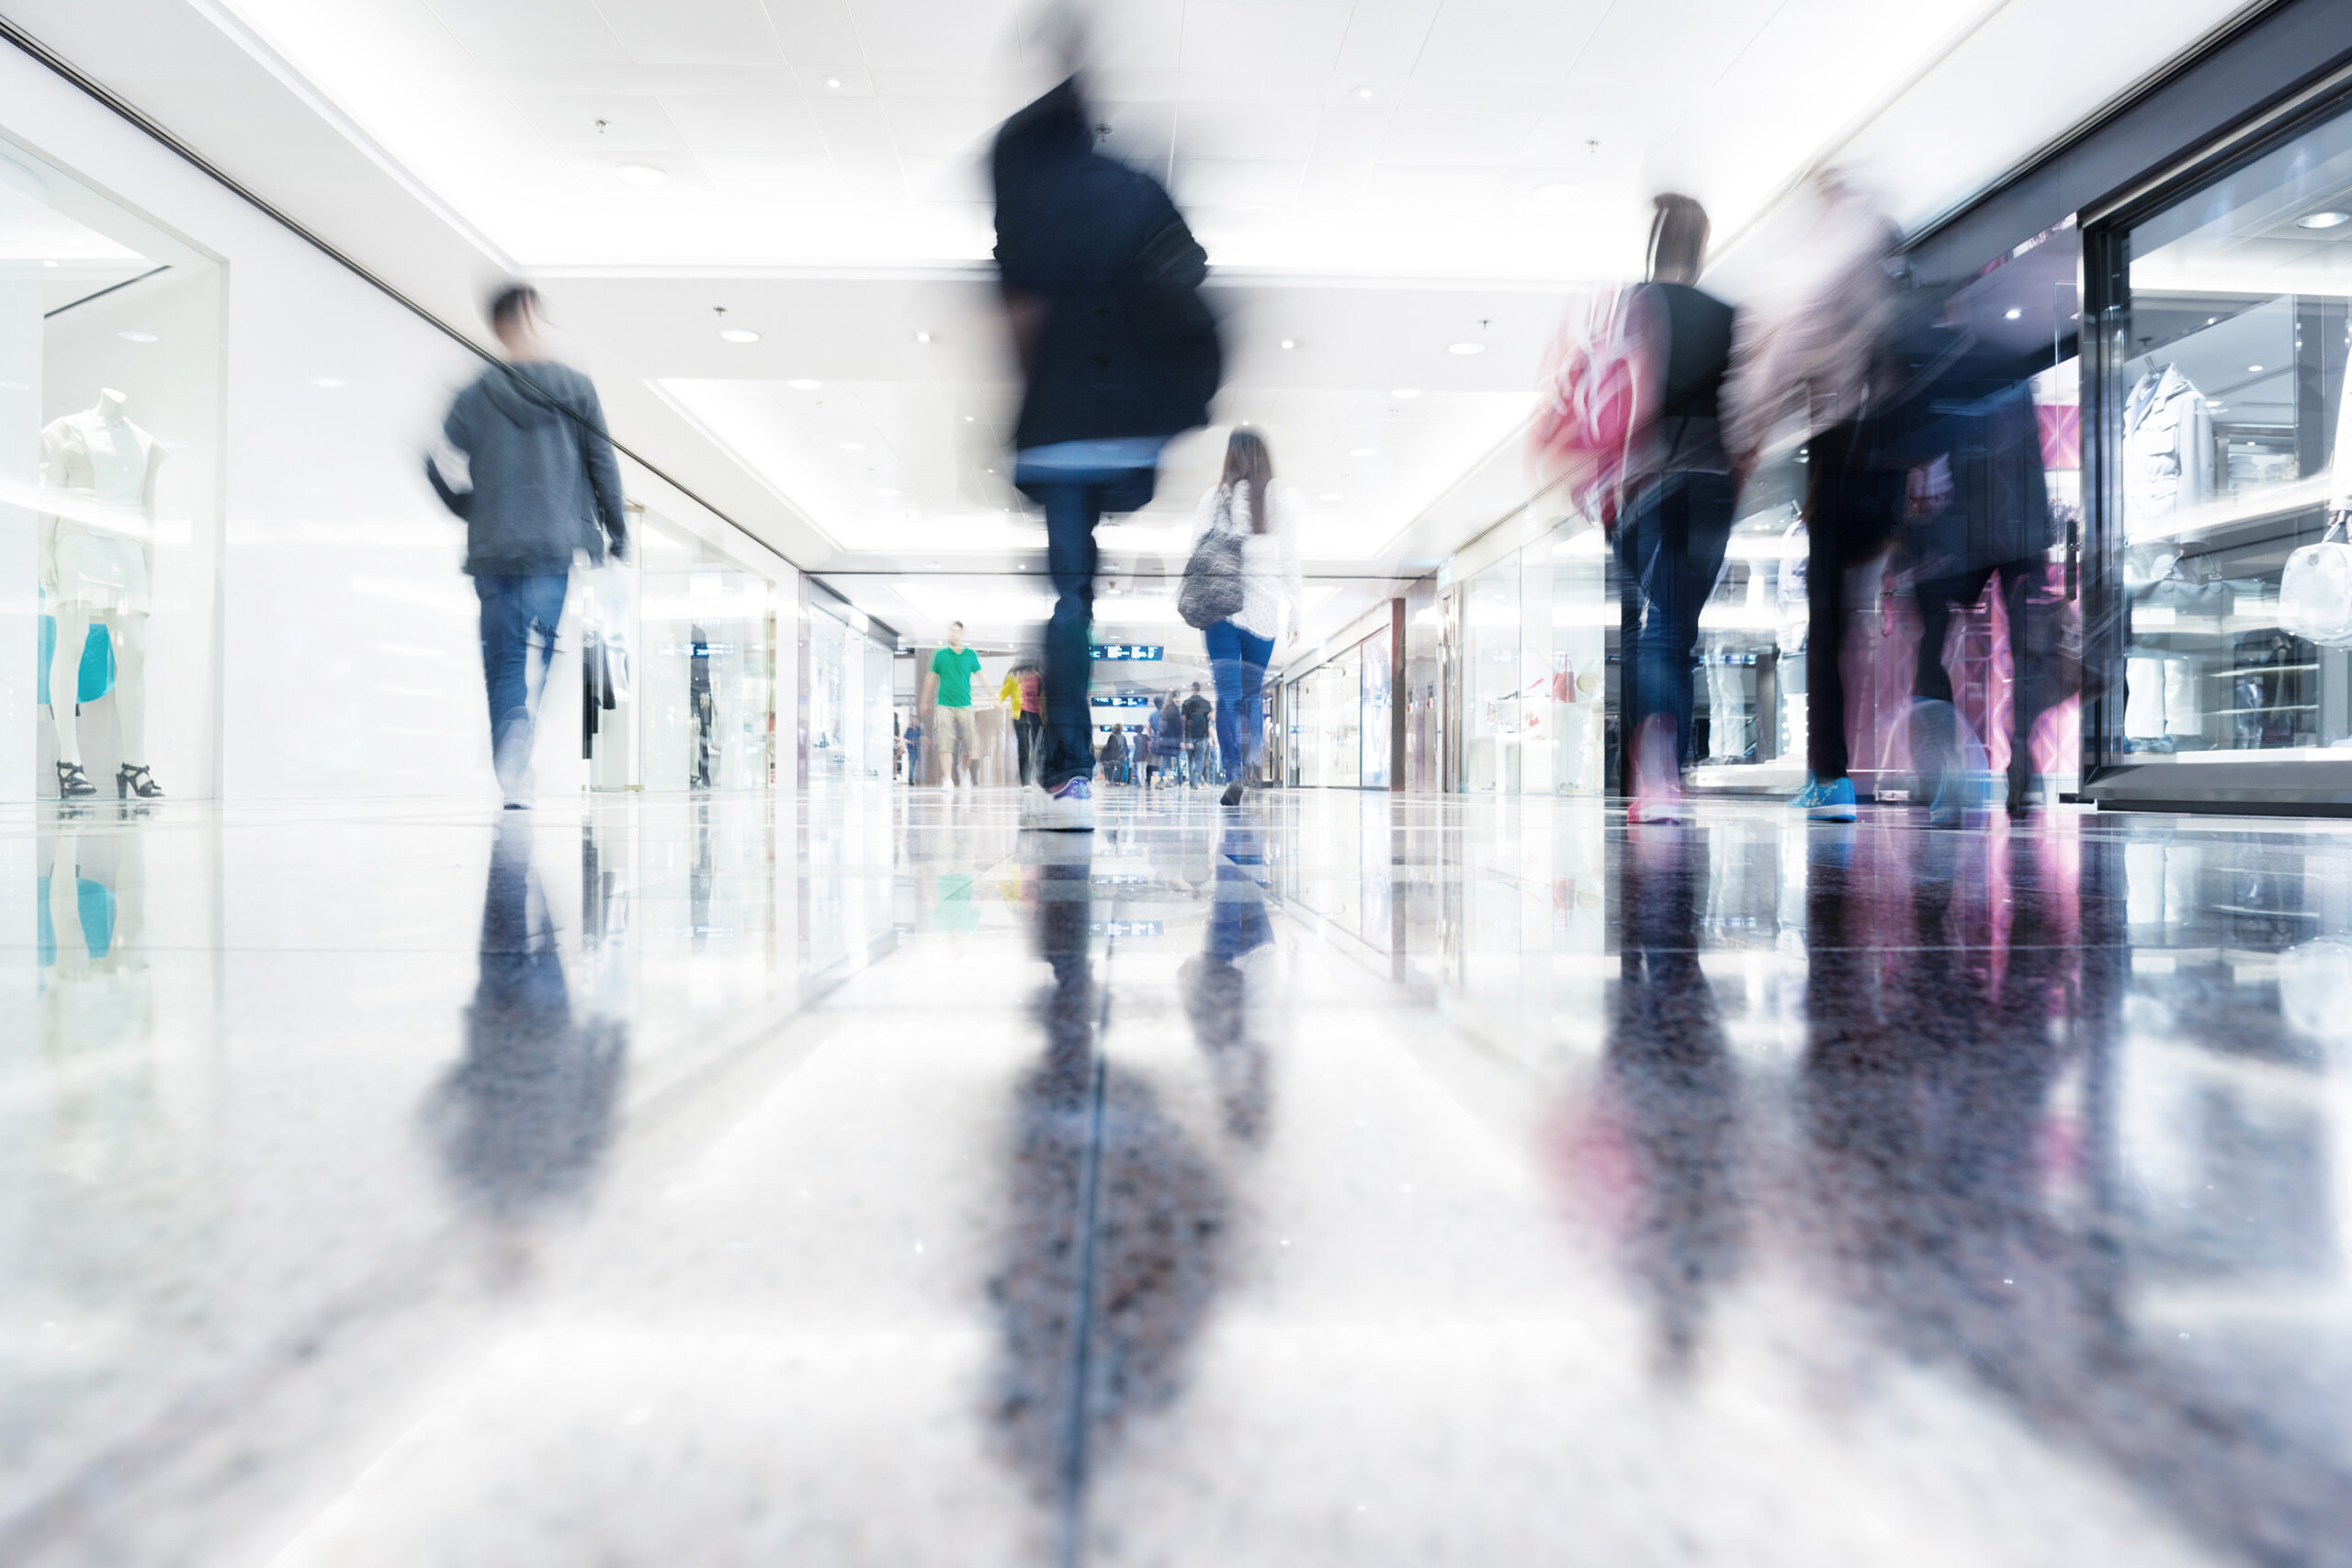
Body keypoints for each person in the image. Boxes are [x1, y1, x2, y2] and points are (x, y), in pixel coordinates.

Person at [993, 53, 1222, 831]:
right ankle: (1069, 727)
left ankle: (1065, 765)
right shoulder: (1134, 190)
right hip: (1121, 425)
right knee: (1076, 585)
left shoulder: (1028, 201)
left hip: (1057, 429)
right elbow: (1188, 274)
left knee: (1068, 596)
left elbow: (1018, 312)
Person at [427, 283, 628, 809]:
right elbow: (601, 462)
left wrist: (469, 506)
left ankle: (511, 764)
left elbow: (437, 460)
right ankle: (521, 735)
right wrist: (617, 532)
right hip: (551, 546)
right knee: (538, 649)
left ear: (497, 326)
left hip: (493, 549)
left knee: (503, 658)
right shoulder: (575, 387)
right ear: (530, 317)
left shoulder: (473, 394)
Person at [1613, 195, 1738, 825]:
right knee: (1681, 632)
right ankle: (1674, 771)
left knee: (1659, 630)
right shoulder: (1727, 313)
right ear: (1700, 248)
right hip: (1717, 482)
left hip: (1659, 479)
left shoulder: (1642, 302)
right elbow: (1744, 404)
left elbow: (1633, 388)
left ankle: (1659, 771)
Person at [1189, 427, 1301, 807]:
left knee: (1227, 696)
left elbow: (1197, 549)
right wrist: (1296, 610)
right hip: (1266, 613)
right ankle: (1249, 760)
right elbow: (1290, 557)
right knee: (1250, 697)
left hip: (1221, 611)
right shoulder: (1279, 498)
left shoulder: (1214, 497)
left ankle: (1233, 771)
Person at [926, 622, 984, 790]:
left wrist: (993, 696)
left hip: (965, 704)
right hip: (944, 704)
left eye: (957, 631)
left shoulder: (970, 655)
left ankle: (964, 771)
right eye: (951, 631)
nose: (953, 634)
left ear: (962, 634)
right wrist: (924, 700)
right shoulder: (940, 654)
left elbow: (981, 676)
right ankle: (948, 779)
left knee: (969, 743)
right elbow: (930, 678)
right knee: (944, 742)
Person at [1000, 660, 1046, 786]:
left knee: (1039, 747)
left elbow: (1044, 696)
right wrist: (998, 702)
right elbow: (1004, 691)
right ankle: (1026, 782)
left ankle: (1040, 777)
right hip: (1020, 714)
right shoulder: (1013, 677)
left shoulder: (1039, 677)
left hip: (1036, 715)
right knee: (1024, 748)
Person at [1181, 682, 1214, 786]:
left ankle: (1192, 782)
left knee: (1190, 759)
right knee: (1200, 758)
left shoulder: (1186, 703)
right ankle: (1197, 781)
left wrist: (1182, 736)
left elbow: (1183, 720)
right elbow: (1211, 718)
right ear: (1200, 689)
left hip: (1189, 736)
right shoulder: (1207, 703)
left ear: (1192, 689)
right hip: (1202, 735)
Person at [902, 715, 924, 785]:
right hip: (911, 750)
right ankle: (911, 779)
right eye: (914, 720)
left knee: (919, 765)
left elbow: (922, 738)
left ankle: (919, 779)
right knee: (912, 765)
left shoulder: (920, 730)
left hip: (919, 750)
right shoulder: (909, 730)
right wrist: (910, 742)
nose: (915, 721)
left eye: (916, 720)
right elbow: (905, 739)